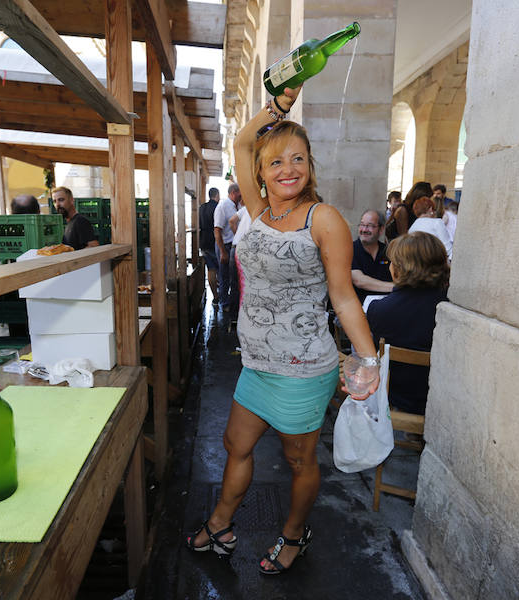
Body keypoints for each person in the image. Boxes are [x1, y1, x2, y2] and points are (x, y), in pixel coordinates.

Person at [186, 85, 379, 575]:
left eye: (297, 159)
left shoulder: (324, 219)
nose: (287, 169)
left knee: (299, 462)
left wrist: (367, 358)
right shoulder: (258, 210)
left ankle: (293, 534)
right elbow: (242, 144)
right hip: (256, 364)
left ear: (310, 166)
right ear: (260, 173)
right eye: (275, 162)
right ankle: (222, 524)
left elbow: (343, 296)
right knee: (236, 444)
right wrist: (278, 106)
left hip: (301, 367)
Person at [366, 232, 449, 415]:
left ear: (400, 269)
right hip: (441, 397)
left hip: (397, 397)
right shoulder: (450, 308)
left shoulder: (379, 310)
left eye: (392, 263)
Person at [351, 209, 393, 302]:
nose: (364, 230)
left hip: (387, 306)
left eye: (370, 226)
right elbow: (359, 281)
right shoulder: (350, 249)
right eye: (362, 225)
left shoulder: (389, 251)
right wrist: (396, 287)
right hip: (358, 308)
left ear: (381, 229)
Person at [213, 183, 242, 314]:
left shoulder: (239, 206)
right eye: (240, 193)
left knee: (234, 276)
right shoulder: (223, 206)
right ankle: (224, 304)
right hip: (224, 245)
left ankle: (232, 302)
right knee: (224, 276)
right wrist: (223, 252)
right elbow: (217, 230)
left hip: (234, 245)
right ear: (234, 192)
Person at [52, 186, 99, 250]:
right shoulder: (70, 222)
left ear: (71, 200)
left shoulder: (80, 221)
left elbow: (94, 247)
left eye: (61, 200)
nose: (57, 204)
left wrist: (75, 256)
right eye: (55, 201)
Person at [199, 188, 221, 303]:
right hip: (215, 241)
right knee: (220, 269)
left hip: (203, 242)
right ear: (217, 195)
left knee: (211, 269)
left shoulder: (202, 207)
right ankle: (223, 296)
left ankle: (215, 297)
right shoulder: (218, 207)